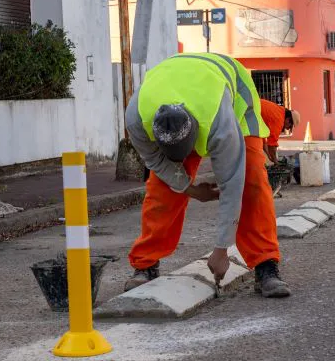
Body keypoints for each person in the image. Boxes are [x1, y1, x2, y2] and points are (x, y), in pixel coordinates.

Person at [123, 52, 290, 298]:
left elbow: (233, 184)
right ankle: (145, 264)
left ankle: (266, 265)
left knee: (252, 180)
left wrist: (221, 249)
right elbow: (156, 161)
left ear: (198, 136)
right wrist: (189, 188)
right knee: (162, 189)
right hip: (177, 77)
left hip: (231, 91)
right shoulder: (137, 118)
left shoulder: (219, 126)